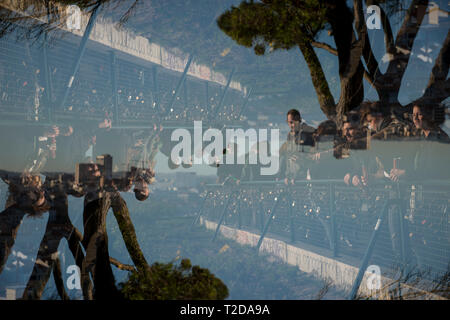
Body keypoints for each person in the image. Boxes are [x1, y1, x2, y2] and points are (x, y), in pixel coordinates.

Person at [280, 109, 315, 185]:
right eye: (290, 122)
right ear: (287, 122)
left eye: (294, 122)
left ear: (299, 120)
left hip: (305, 179)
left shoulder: (308, 133)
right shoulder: (290, 135)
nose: (292, 125)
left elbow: (314, 155)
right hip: (292, 180)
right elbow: (289, 157)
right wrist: (287, 176)